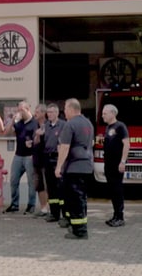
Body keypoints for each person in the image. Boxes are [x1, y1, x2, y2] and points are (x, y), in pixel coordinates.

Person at [55, 98, 94, 240]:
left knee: (74, 199)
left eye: (65, 108)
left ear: (71, 109)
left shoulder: (70, 124)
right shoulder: (88, 123)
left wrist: (59, 167)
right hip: (87, 166)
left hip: (74, 167)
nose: (64, 112)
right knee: (82, 198)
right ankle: (79, 226)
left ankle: (80, 231)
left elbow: (64, 147)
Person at [2, 101, 37, 214]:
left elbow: (40, 139)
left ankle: (31, 204)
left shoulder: (34, 123)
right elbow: (6, 132)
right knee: (13, 180)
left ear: (27, 109)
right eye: (18, 110)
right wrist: (13, 120)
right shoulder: (19, 123)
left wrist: (32, 143)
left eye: (21, 110)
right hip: (18, 155)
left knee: (31, 182)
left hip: (30, 156)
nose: (19, 112)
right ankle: (14, 204)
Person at [99, 103, 130, 227]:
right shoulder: (108, 128)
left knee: (117, 189)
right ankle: (115, 215)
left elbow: (126, 144)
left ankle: (120, 216)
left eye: (105, 113)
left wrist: (123, 161)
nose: (102, 116)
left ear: (113, 113)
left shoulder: (120, 126)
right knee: (112, 190)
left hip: (117, 164)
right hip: (108, 163)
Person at [42, 103, 67, 224]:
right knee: (51, 188)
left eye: (52, 112)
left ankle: (64, 214)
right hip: (47, 158)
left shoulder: (63, 125)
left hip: (57, 159)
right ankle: (54, 213)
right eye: (48, 112)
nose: (49, 114)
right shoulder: (46, 125)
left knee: (60, 187)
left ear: (57, 113)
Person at [31, 103, 49, 217]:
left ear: (43, 113)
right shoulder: (34, 125)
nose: (35, 114)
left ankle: (52, 208)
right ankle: (43, 208)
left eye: (37, 112)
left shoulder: (49, 125)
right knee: (39, 185)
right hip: (36, 159)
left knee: (49, 185)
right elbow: (34, 140)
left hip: (47, 159)